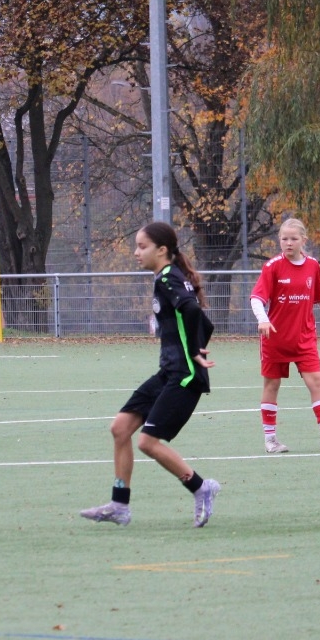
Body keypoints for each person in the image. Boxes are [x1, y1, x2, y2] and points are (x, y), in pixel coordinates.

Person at [81, 221, 223, 528]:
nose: (136, 252)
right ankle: (119, 505)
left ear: (162, 250)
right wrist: (196, 345)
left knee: (147, 441)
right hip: (169, 372)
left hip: (184, 376)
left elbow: (193, 311)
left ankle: (201, 487)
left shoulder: (169, 278)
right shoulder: (169, 277)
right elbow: (204, 321)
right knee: (120, 429)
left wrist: (194, 351)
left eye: (142, 246)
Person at [249, 218, 320, 454]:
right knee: (272, 384)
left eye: (293, 239)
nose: (288, 243)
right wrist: (263, 319)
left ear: (303, 240)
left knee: (316, 381)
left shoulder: (312, 266)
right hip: (275, 339)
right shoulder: (272, 267)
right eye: (284, 239)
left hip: (304, 338)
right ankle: (271, 440)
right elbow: (256, 298)